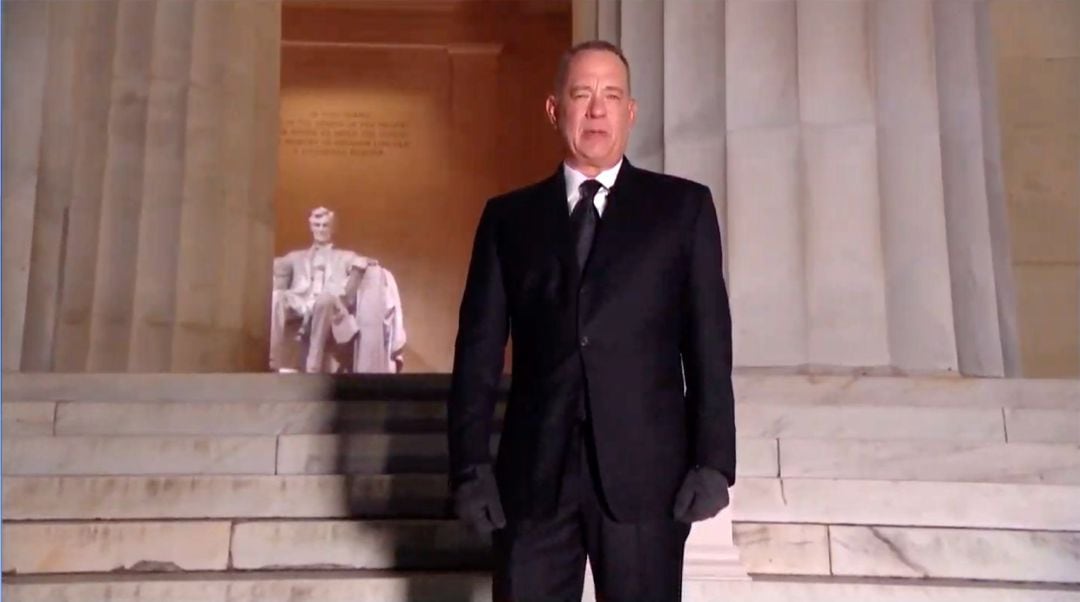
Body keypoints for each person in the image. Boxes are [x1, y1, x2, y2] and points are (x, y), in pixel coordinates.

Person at [447, 40, 736, 601]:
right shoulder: (508, 219)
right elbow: (478, 352)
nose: (597, 110)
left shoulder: (683, 209)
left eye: (611, 96)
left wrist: (714, 461)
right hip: (531, 482)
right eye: (582, 94)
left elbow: (708, 345)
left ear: (630, 112)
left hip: (646, 482)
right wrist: (470, 465)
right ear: (556, 110)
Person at [270, 206, 406, 373]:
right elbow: (278, 271)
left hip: (331, 307)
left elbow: (360, 263)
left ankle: (313, 366)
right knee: (276, 297)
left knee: (324, 300)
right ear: (311, 227)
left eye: (325, 225)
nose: (321, 229)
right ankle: (273, 361)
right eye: (317, 225)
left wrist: (366, 263)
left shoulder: (345, 256)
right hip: (301, 302)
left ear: (332, 228)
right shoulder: (295, 257)